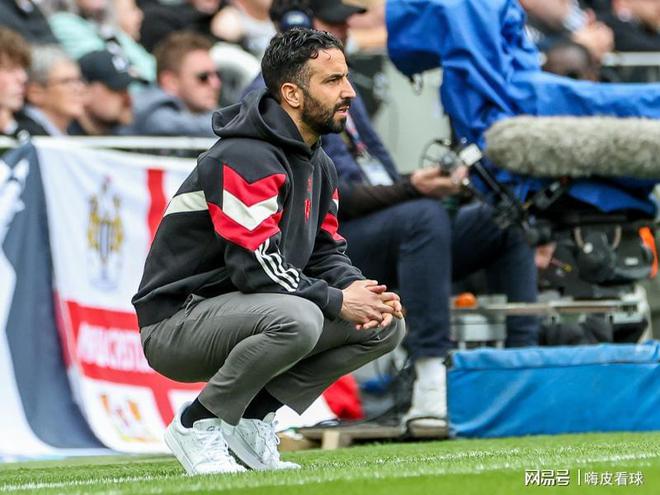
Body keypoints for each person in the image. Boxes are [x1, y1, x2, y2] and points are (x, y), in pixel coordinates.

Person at [246, 0, 540, 427]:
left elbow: (376, 174)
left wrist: (427, 183)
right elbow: (328, 195)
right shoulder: (274, 98)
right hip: (326, 248)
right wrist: (413, 188)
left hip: (386, 225)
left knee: (503, 218)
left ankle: (522, 368)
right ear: (299, 26)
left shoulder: (344, 91)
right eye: (334, 21)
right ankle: (429, 382)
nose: (347, 30)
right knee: (423, 216)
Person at [132, 28, 405, 475]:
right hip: (175, 324)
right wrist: (338, 300)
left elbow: (325, 253)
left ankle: (253, 418)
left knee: (383, 325)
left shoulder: (319, 162)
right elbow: (253, 265)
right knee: (301, 317)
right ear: (292, 94)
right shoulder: (244, 156)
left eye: (346, 78)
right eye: (332, 81)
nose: (349, 92)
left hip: (249, 310)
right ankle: (196, 423)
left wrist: (361, 292)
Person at [128, 31, 220, 136]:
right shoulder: (152, 110)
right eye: (203, 77)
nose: (216, 84)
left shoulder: (202, 113)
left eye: (217, 75)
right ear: (171, 82)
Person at [15, 45, 86, 136]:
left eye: (78, 80)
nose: (79, 88)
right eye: (66, 82)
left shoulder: (70, 132)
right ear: (35, 92)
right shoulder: (24, 134)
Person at [68, 50, 137, 135]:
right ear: (83, 91)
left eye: (127, 89)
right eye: (118, 90)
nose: (129, 99)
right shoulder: (60, 138)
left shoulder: (126, 134)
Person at [0, 27, 31, 137]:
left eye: (23, 69)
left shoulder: (26, 121)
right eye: (11, 69)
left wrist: (9, 127)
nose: (23, 78)